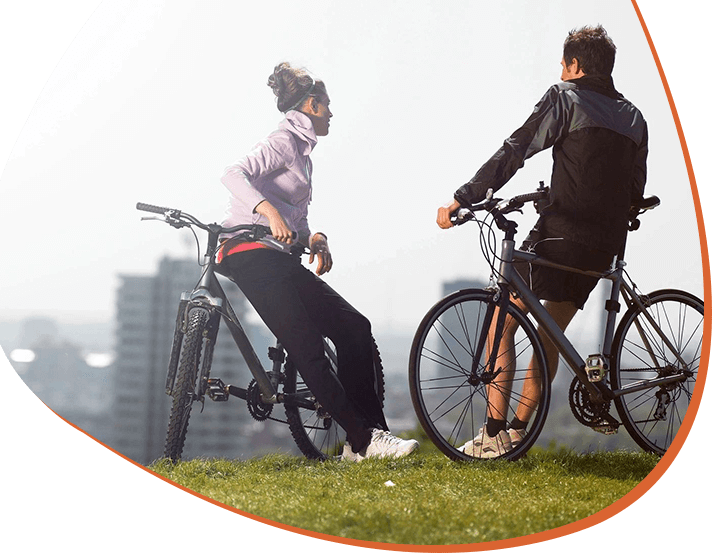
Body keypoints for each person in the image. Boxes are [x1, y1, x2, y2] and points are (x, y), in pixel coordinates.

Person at [437, 25, 649, 458]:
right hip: (601, 246)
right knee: (549, 337)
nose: (560, 68)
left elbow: (518, 147)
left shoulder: (564, 97)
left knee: (501, 325)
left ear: (574, 65)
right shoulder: (635, 117)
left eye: (563, 62)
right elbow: (635, 188)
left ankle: (495, 434)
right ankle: (516, 433)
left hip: (558, 235)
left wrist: (465, 195)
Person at [217, 61, 418, 461]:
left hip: (279, 259)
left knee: (355, 327)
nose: (331, 113)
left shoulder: (304, 157)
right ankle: (363, 440)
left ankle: (370, 439)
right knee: (307, 347)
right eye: (327, 105)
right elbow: (233, 174)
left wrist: (315, 238)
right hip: (249, 254)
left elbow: (297, 220)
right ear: (310, 105)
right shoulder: (283, 141)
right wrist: (270, 215)